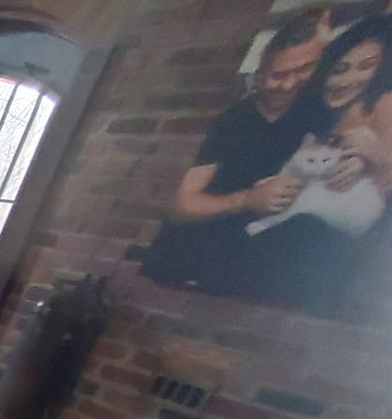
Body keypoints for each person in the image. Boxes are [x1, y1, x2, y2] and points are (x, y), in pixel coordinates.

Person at [141, 9, 340, 303]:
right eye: (279, 75)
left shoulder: (317, 113)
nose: (289, 84)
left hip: (255, 261)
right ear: (259, 76)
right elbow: (179, 203)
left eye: (304, 70)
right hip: (190, 262)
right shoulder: (232, 123)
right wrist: (247, 199)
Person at [316, 14, 392, 196]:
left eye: (365, 67)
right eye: (339, 70)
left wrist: (372, 160)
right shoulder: (322, 112)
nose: (347, 81)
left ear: (384, 68)